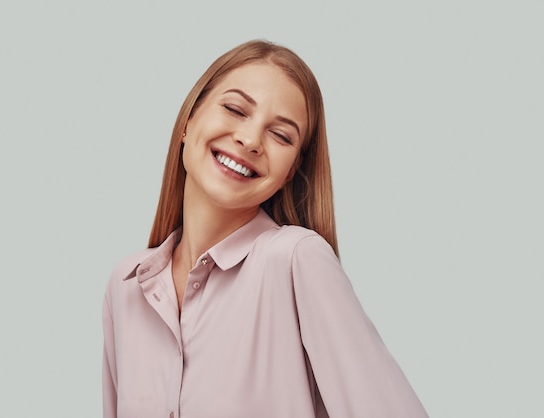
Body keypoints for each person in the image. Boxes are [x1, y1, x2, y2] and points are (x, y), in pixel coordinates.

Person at [102, 40, 428, 418]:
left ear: (291, 171)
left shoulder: (295, 259)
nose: (250, 140)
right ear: (188, 122)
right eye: (235, 109)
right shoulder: (125, 288)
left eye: (281, 135)